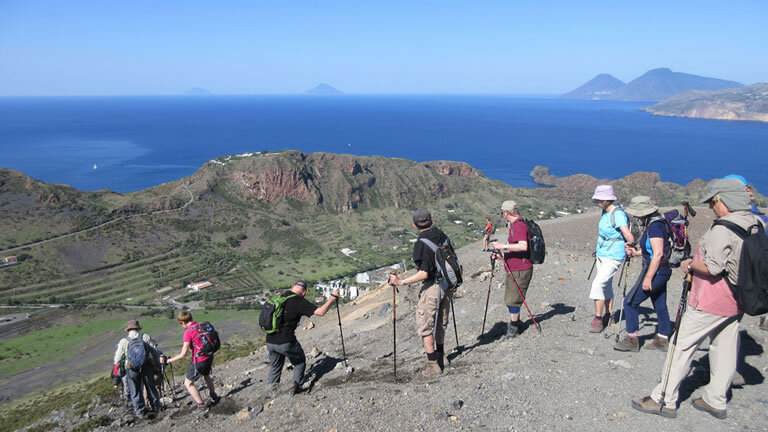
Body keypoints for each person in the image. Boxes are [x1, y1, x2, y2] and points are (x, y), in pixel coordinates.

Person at [632, 177, 765, 419]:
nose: (712, 207)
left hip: (710, 299)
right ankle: (716, 399)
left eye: (714, 202)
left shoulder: (723, 228)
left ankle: (663, 399)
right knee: (724, 347)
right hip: (737, 299)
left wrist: (690, 264)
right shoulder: (754, 222)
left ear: (724, 201)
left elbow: (713, 267)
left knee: (680, 345)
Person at [389, 208, 455, 376]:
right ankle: (442, 357)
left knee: (426, 326)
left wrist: (401, 282)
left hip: (432, 287)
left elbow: (424, 273)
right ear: (431, 220)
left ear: (414, 225)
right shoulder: (442, 235)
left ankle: (433, 365)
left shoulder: (421, 243)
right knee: (441, 323)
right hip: (447, 285)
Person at [614, 196, 672, 352]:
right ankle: (663, 338)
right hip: (662, 271)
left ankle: (632, 340)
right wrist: (638, 253)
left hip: (656, 271)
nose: (635, 216)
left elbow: (658, 253)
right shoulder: (656, 224)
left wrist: (648, 278)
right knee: (659, 303)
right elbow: (654, 250)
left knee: (630, 302)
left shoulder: (654, 227)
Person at [265, 281, 339, 394]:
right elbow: (320, 312)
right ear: (304, 292)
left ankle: (271, 393)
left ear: (291, 287)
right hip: (286, 342)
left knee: (275, 366)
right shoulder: (298, 301)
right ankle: (297, 387)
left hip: (270, 340)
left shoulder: (280, 297)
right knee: (299, 362)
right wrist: (332, 298)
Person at [589, 185, 634, 333]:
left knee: (598, 284)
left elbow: (627, 234)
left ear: (608, 199)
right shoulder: (605, 211)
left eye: (600, 199)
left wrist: (630, 245)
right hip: (602, 252)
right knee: (606, 284)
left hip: (614, 254)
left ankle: (598, 318)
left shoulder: (617, 214)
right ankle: (609, 315)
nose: (597, 201)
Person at [490, 200, 532, 339]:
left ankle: (514, 327)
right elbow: (516, 249)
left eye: (503, 213)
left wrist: (503, 246)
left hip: (519, 269)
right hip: (515, 267)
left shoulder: (519, 226)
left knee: (512, 300)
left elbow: (523, 246)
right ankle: (516, 323)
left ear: (506, 213)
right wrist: (502, 256)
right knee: (512, 298)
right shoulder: (517, 224)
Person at [161, 311, 219, 409]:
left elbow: (183, 354)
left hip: (199, 360)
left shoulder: (188, 332)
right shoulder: (201, 326)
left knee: (188, 383)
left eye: (181, 323)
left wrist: (168, 361)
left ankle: (201, 404)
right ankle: (213, 395)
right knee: (206, 375)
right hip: (209, 356)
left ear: (183, 322)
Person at [113, 320, 162, 418]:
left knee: (135, 390)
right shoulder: (145, 337)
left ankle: (140, 412)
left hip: (132, 369)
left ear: (128, 330)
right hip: (146, 366)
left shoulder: (123, 341)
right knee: (150, 387)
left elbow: (117, 360)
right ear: (138, 328)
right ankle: (156, 407)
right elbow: (155, 351)